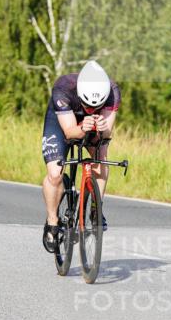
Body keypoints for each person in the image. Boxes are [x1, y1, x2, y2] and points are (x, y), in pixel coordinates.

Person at [41, 60, 120, 252]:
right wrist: (81, 127)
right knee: (55, 174)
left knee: (100, 158)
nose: (92, 109)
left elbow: (108, 132)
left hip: (91, 126)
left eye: (97, 106)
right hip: (62, 123)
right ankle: (52, 221)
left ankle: (96, 209)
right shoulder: (63, 88)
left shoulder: (112, 91)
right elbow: (69, 132)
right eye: (87, 105)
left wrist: (103, 129)